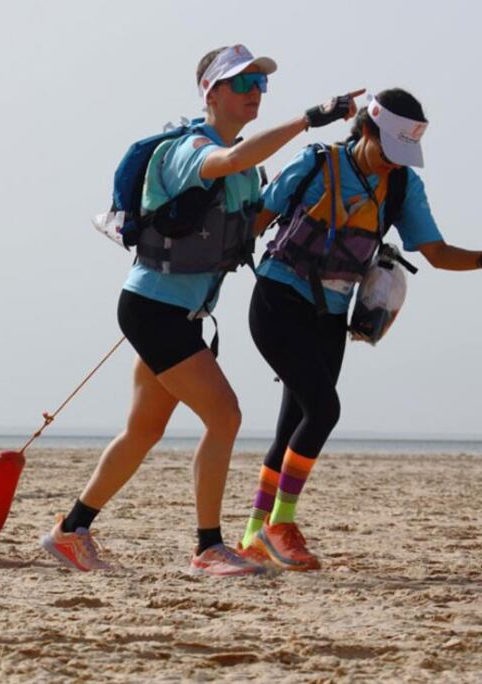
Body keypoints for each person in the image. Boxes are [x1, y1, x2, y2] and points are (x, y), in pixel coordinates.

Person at [41, 45, 360, 576]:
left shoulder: (245, 169)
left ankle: (71, 531)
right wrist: (309, 119)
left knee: (143, 431)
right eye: (244, 83)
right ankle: (209, 547)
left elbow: (251, 222)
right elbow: (230, 161)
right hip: (154, 310)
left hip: (174, 312)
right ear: (211, 92)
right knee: (225, 415)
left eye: (261, 84)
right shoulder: (190, 149)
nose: (256, 92)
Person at [239, 88, 482, 571]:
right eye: (387, 151)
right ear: (366, 130)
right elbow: (253, 223)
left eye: (402, 156)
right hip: (277, 301)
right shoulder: (314, 163)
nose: (393, 164)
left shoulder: (402, 186)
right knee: (324, 409)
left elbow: (436, 253)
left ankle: (253, 534)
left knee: (294, 421)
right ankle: (280, 525)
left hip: (330, 315)